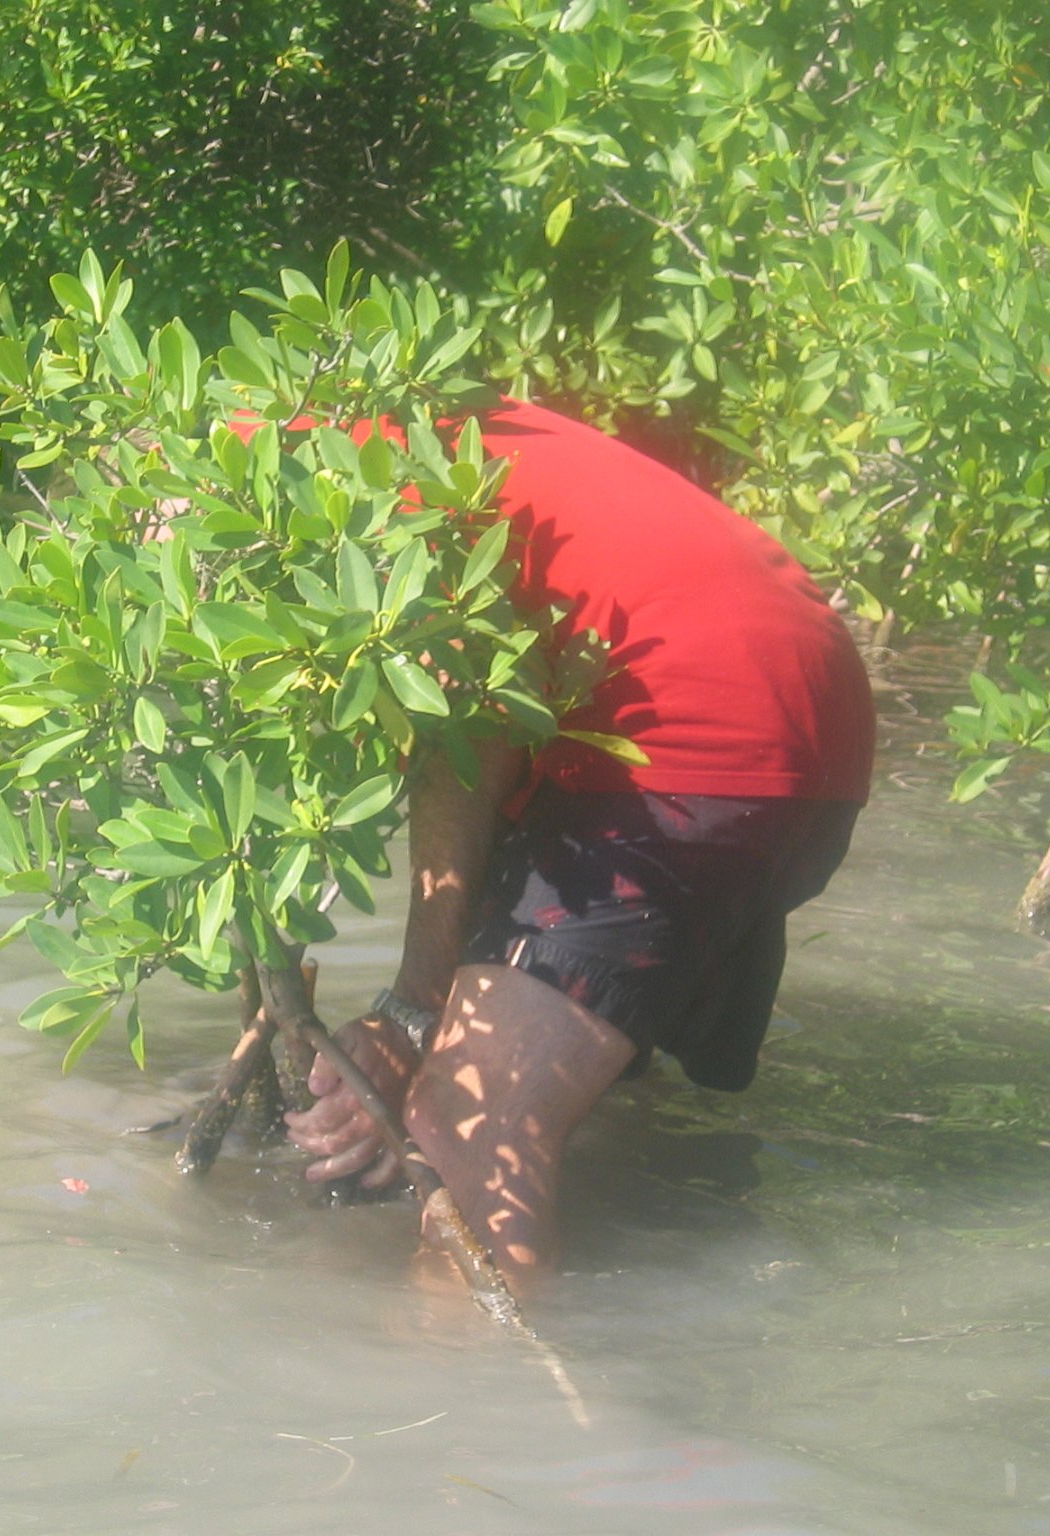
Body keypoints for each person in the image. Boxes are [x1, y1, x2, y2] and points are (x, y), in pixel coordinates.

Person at [283, 398, 875, 1287]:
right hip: (814, 717)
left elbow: (465, 732)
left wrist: (413, 1013)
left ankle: (462, 1406)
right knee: (569, 1079)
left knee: (470, 1117)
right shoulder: (393, 409)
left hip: (690, 727)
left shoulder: (321, 482)